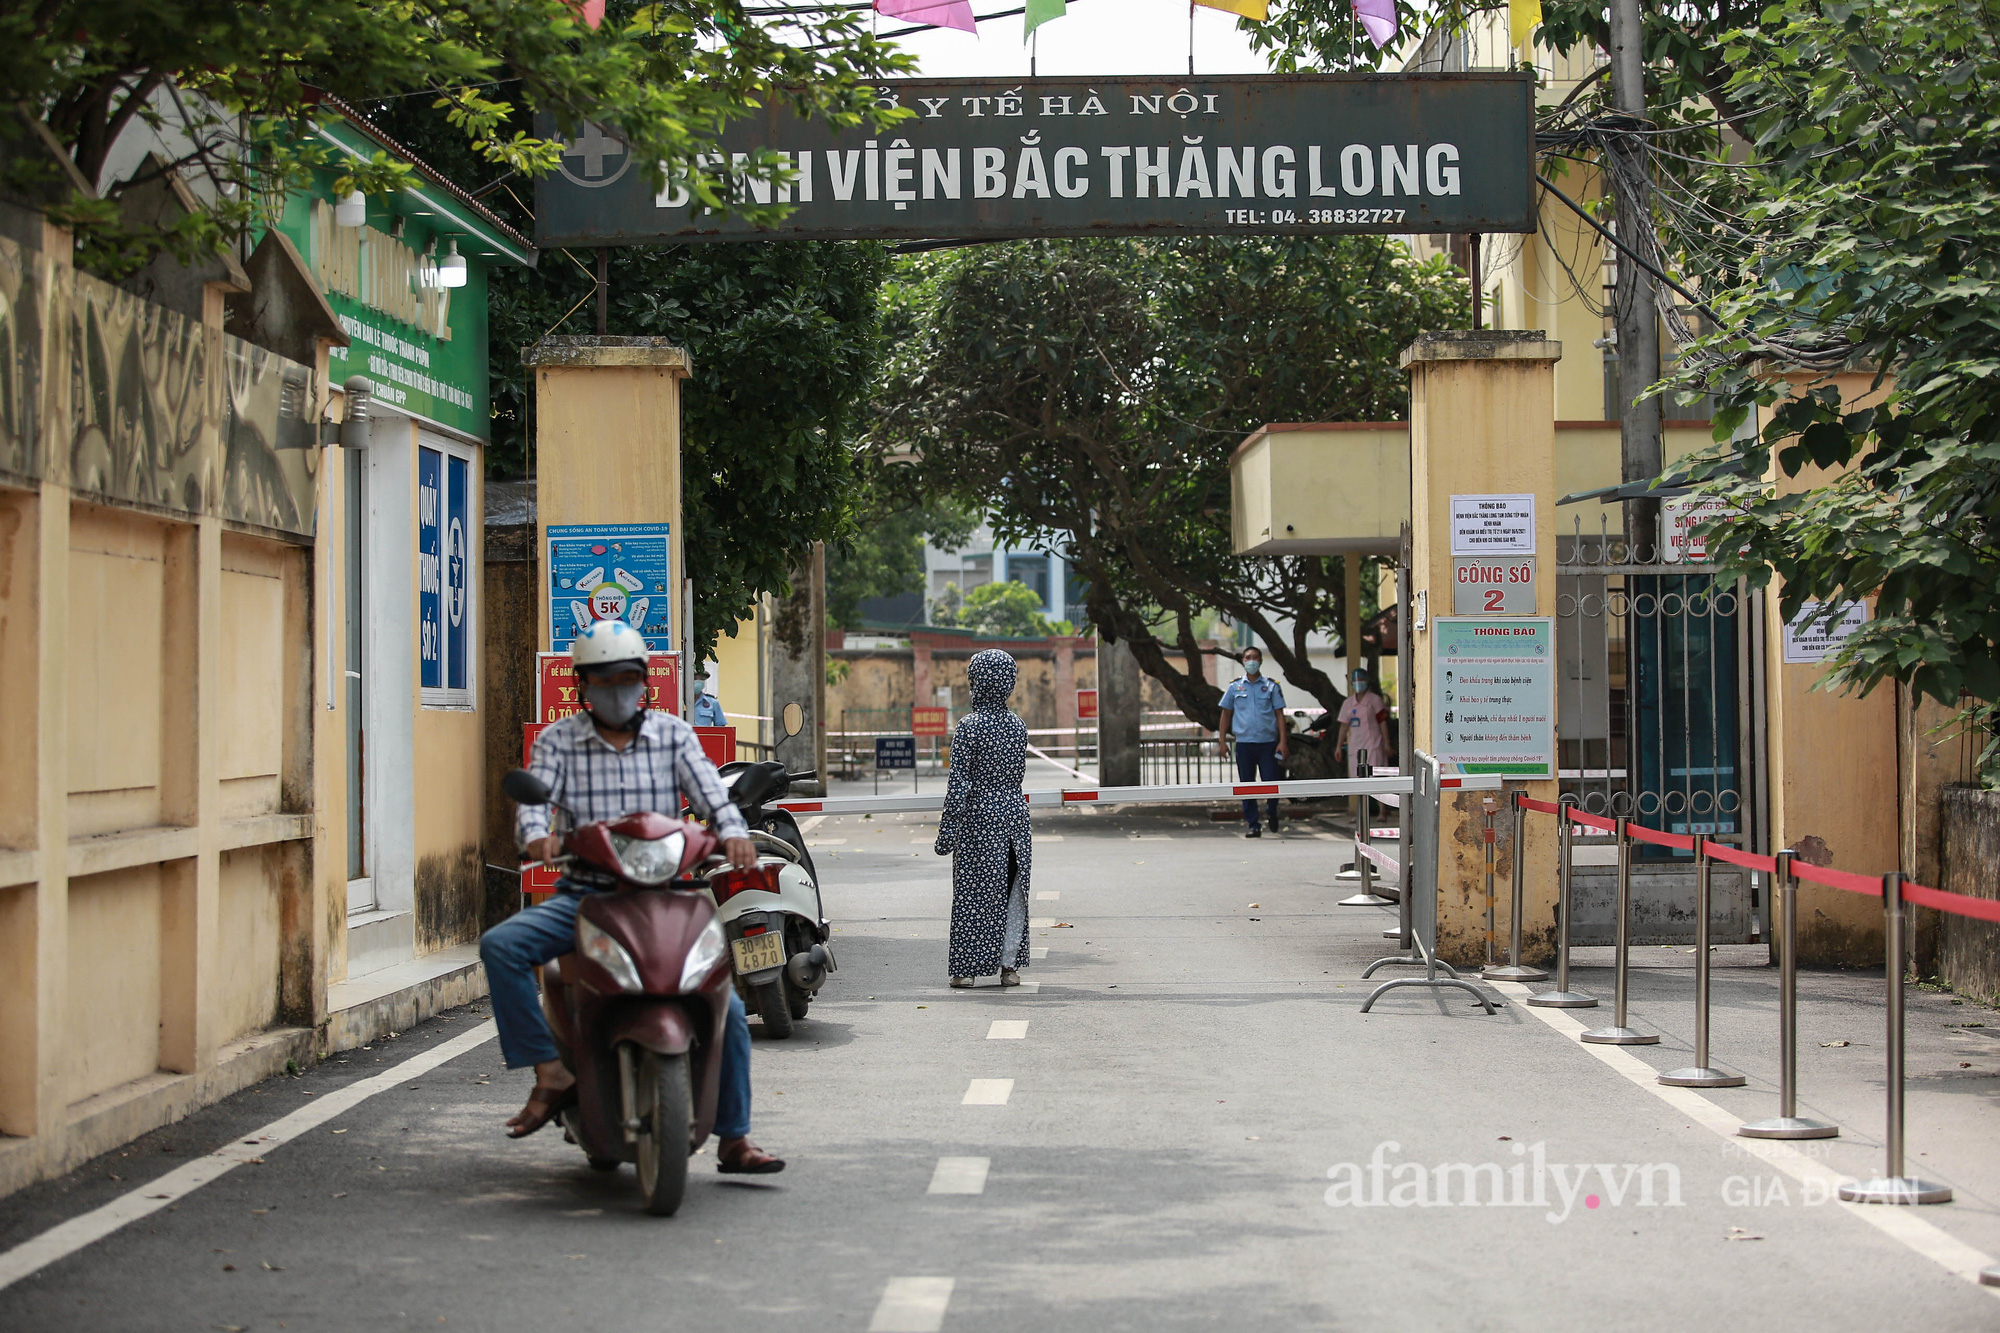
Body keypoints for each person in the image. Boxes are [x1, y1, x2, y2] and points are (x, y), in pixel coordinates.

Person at [481, 618, 784, 1174]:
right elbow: (533, 806)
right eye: (603, 681)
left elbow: (714, 796)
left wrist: (734, 835)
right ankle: (549, 1070)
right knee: (501, 947)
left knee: (727, 1006)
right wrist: (534, 838)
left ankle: (735, 1137)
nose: (617, 690)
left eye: (626, 678)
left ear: (644, 681)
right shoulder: (558, 741)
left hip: (669, 895)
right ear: (582, 688)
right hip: (587, 894)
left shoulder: (674, 734)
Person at [934, 649, 1032, 988]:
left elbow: (959, 783)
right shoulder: (1018, 725)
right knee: (1012, 891)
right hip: (1015, 816)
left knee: (973, 896)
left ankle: (965, 970)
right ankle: (1009, 968)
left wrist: (946, 834)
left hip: (979, 818)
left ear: (978, 682)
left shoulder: (969, 727)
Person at [1218, 646, 1287, 837]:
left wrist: (1283, 742)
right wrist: (1222, 741)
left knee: (1272, 781)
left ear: (1261, 661)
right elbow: (1225, 714)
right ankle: (1253, 824)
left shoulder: (1272, 686)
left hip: (1268, 743)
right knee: (1246, 785)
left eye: (1255, 657)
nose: (1251, 661)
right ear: (1242, 661)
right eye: (1248, 657)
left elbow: (1279, 714)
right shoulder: (1234, 687)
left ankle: (1272, 810)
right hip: (1245, 743)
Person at [1336, 669, 1393, 775]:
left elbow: (1382, 723)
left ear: (1367, 681)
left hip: (1373, 746)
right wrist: (1338, 746)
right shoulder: (1348, 703)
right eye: (1356, 680)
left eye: (1361, 679)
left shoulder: (1375, 700)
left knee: (1373, 778)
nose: (1358, 682)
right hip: (1355, 747)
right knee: (1357, 778)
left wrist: (1387, 744)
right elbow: (1344, 726)